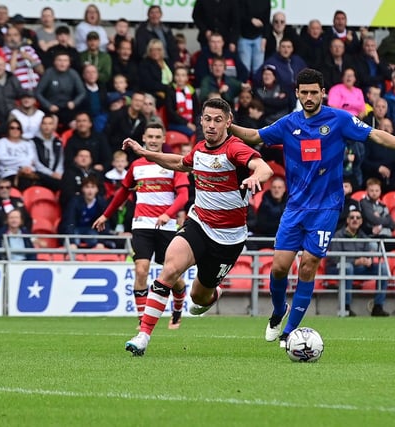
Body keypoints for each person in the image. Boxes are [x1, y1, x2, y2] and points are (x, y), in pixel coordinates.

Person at [229, 68, 395, 348]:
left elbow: (377, 136)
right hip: (295, 208)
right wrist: (227, 127)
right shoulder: (288, 123)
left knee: (307, 266)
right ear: (297, 93)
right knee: (279, 268)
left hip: (327, 208)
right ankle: (279, 311)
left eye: (313, 92)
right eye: (303, 92)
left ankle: (289, 333)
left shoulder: (339, 120)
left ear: (322, 92)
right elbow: (255, 135)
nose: (308, 97)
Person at [122, 98, 273, 355]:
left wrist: (254, 178)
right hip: (199, 223)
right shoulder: (201, 149)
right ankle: (143, 336)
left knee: (199, 298)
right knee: (169, 269)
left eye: (217, 120)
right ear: (201, 120)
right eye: (207, 119)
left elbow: (264, 167)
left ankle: (212, 294)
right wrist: (146, 154)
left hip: (227, 239)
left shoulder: (235, 149)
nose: (211, 125)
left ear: (228, 122)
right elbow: (179, 163)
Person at [93, 123, 190, 330]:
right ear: (144, 139)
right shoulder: (136, 166)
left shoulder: (173, 164)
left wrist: (168, 214)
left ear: (164, 140)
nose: (153, 140)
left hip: (166, 227)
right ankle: (142, 320)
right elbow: (122, 193)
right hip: (141, 225)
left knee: (173, 276)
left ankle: (177, 310)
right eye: (150, 137)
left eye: (157, 137)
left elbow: (184, 196)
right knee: (141, 270)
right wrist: (105, 215)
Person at [326, 212, 390, 317]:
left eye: (358, 218)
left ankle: (378, 307)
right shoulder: (338, 235)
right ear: (347, 220)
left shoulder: (362, 236)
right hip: (339, 268)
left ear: (361, 221)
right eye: (352, 217)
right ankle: (345, 307)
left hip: (359, 268)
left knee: (383, 268)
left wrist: (368, 259)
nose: (355, 220)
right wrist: (355, 261)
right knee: (348, 267)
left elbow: (368, 252)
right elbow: (334, 258)